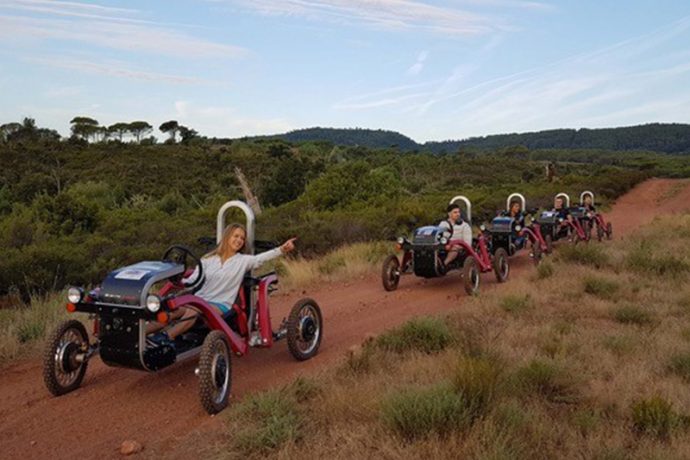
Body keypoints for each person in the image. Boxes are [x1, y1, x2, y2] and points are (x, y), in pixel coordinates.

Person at [146, 223, 296, 345]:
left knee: (194, 310)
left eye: (242, 238)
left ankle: (166, 337)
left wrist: (282, 249)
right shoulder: (208, 260)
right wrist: (179, 281)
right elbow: (192, 280)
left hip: (221, 304)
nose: (239, 240)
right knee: (171, 311)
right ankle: (141, 334)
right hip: (199, 300)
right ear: (227, 237)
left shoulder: (242, 261)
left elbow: (260, 259)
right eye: (236, 236)